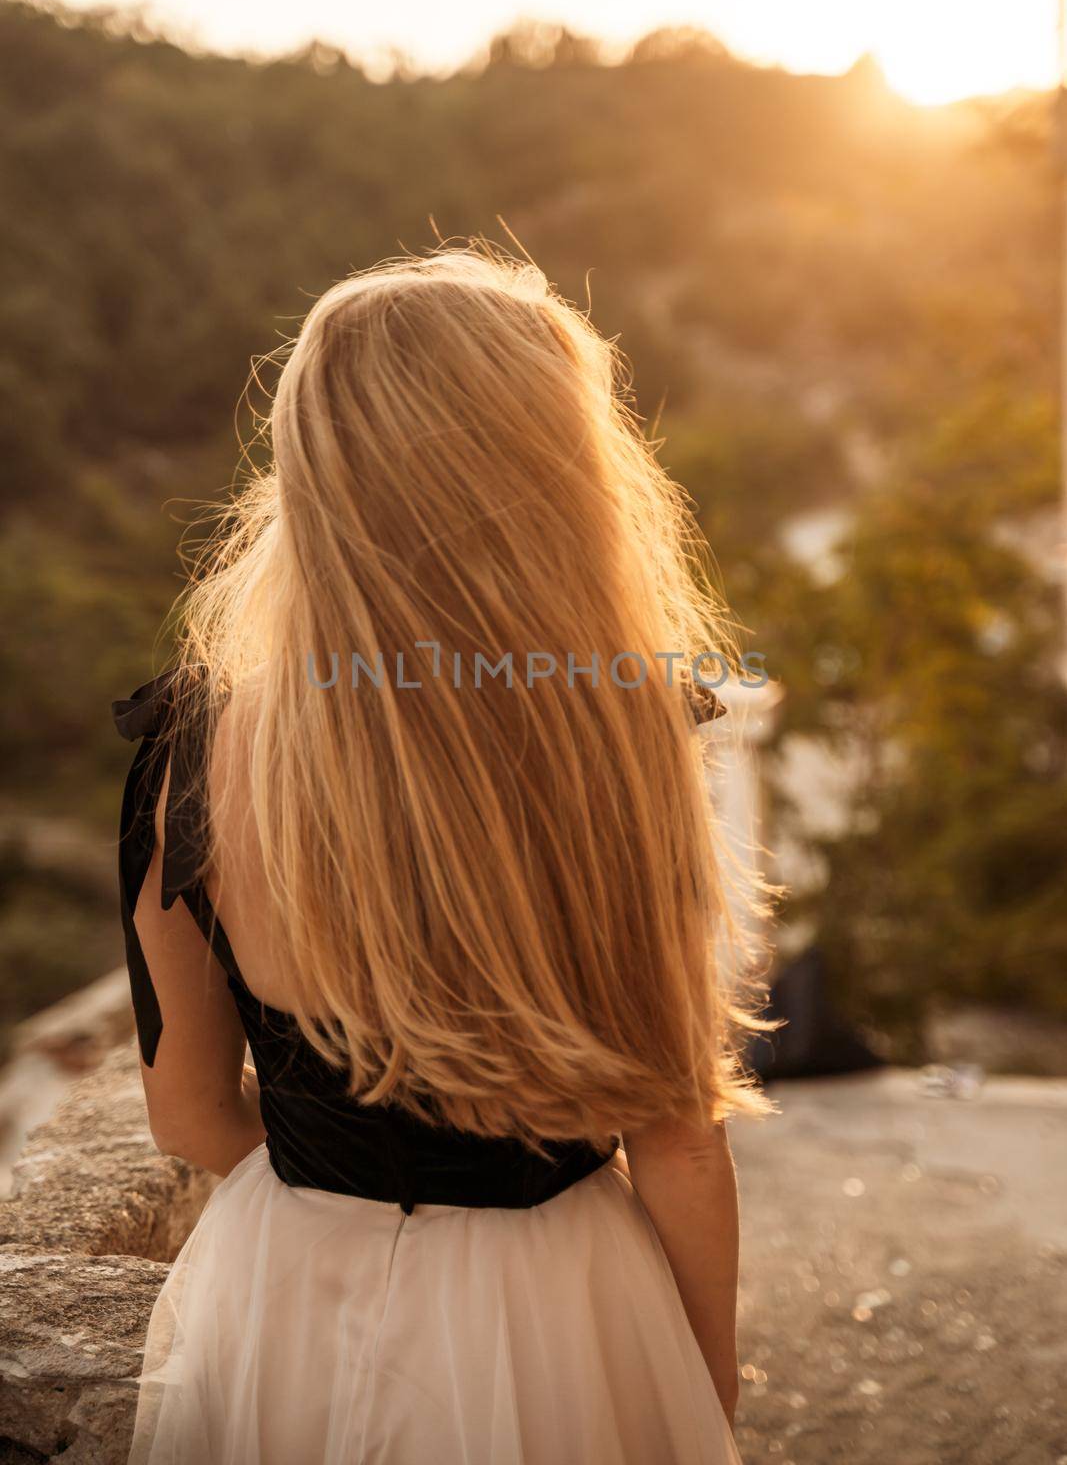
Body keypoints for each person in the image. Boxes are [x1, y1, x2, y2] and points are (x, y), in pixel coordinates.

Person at [113, 242, 773, 1465]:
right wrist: (702, 1377)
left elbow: (190, 1111)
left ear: (313, 467)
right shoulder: (622, 735)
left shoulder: (191, 747)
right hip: (563, 1308)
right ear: (557, 471)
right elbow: (674, 1131)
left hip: (288, 1292)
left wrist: (348, 1211)